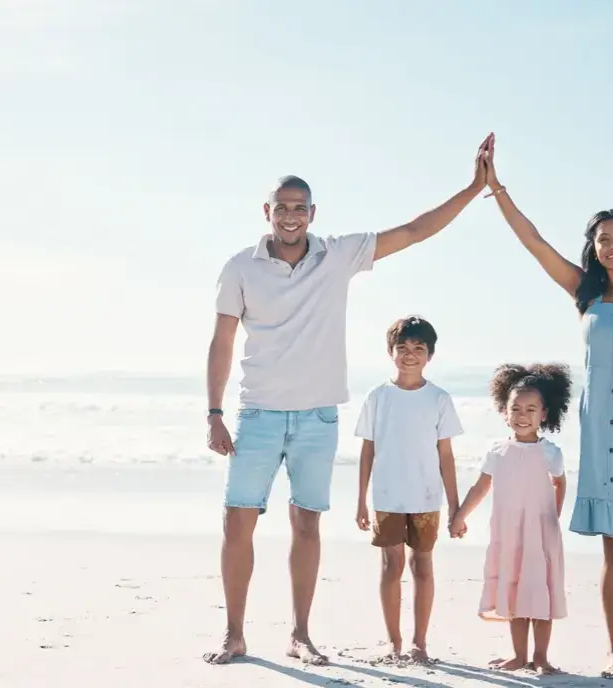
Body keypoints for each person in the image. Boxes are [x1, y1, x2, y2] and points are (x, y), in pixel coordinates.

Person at [202, 133, 493, 666]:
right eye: (281, 208)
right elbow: (222, 342)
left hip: (317, 417)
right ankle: (234, 633)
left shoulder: (337, 255)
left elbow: (413, 231)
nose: (290, 217)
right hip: (258, 413)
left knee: (306, 523)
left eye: (299, 209)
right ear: (268, 212)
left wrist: (474, 188)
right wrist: (215, 413)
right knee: (237, 521)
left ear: (312, 213)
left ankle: (300, 634)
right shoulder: (239, 267)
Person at [480, 138, 613, 680]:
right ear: (594, 247)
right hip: (604, 434)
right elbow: (533, 242)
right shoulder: (585, 294)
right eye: (604, 239)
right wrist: (495, 187)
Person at [450, 363, 573, 675]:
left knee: (540, 596)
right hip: (509, 536)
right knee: (516, 594)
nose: (522, 414)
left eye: (531, 408)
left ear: (544, 413)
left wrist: (553, 517)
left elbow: (560, 482)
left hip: (541, 536)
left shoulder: (550, 453)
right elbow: (481, 487)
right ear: (504, 411)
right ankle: (519, 656)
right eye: (515, 408)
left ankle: (541, 657)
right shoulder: (497, 451)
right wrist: (459, 516)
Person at [353, 316, 462, 666]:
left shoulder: (439, 398)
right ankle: (393, 642)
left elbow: (446, 455)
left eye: (418, 349)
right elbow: (367, 450)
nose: (410, 355)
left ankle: (419, 643)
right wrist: (360, 500)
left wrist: (456, 506)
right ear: (391, 352)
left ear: (430, 355)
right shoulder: (378, 396)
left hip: (427, 497)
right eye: (403, 348)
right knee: (391, 566)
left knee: (423, 566)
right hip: (386, 496)